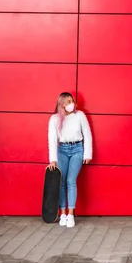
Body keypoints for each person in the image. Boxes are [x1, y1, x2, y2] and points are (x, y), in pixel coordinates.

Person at [47, 92, 93, 228]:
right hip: (62, 150)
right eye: (67, 102)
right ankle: (62, 213)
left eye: (71, 101)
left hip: (77, 149)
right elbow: (52, 140)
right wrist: (53, 159)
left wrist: (87, 154)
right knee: (61, 181)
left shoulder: (80, 116)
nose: (70, 104)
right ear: (61, 104)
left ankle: (71, 214)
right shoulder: (54, 119)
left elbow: (87, 134)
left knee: (71, 181)